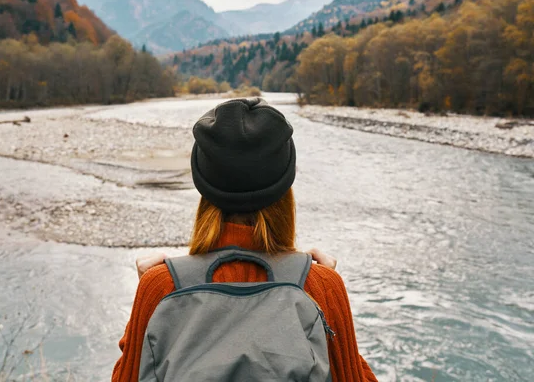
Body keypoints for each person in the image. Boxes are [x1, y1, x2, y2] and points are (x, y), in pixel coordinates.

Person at [112, 98, 377, 382]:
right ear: (285, 189)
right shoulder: (321, 285)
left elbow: (126, 377)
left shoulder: (161, 285)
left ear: (204, 187)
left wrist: (146, 293)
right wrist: (323, 289)